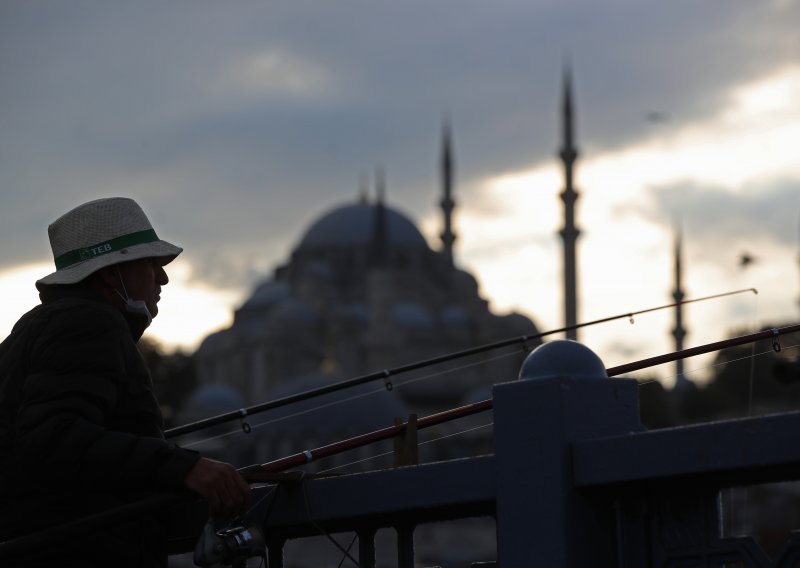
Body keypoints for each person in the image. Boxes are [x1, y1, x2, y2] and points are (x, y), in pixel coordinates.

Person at [0, 197, 251, 567]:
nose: (163, 277)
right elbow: (55, 435)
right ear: (110, 273)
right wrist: (186, 468)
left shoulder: (41, 324)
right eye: (152, 263)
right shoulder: (88, 322)